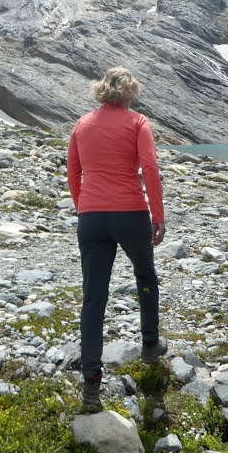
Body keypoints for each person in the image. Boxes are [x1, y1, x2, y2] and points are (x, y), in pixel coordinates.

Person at [67, 66, 167, 413]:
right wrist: (158, 214)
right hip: (130, 214)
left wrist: (86, 208)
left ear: (101, 91)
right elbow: (150, 167)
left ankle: (91, 383)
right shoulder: (137, 123)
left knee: (94, 297)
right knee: (145, 276)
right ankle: (150, 346)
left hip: (92, 218)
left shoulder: (81, 124)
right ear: (129, 94)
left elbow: (74, 171)